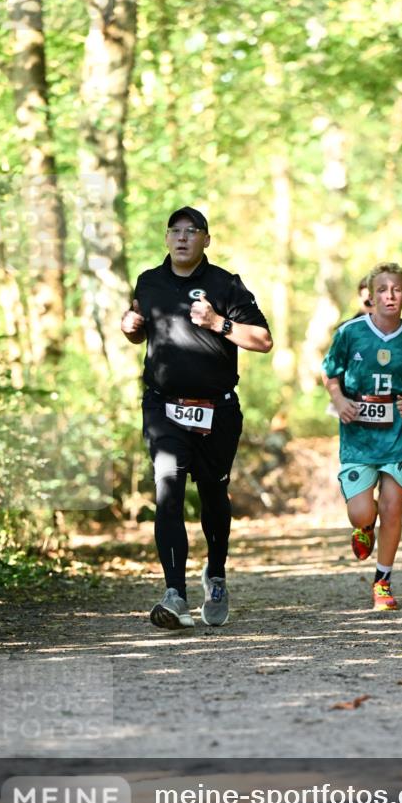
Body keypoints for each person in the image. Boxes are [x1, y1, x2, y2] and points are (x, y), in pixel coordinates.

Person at [121, 205, 272, 630]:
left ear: (207, 239)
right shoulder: (149, 282)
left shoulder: (226, 284)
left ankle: (216, 575)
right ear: (166, 238)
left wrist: (218, 322)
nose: (183, 238)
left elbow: (262, 340)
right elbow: (139, 330)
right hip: (163, 407)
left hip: (217, 410)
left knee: (212, 495)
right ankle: (174, 595)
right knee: (167, 486)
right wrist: (130, 326)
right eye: (175, 231)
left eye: (193, 231)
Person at [322, 262, 402, 611]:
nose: (390, 295)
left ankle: (383, 582)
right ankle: (364, 528)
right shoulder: (349, 333)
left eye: (397, 289)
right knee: (361, 512)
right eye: (383, 290)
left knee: (393, 506)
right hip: (358, 436)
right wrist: (340, 400)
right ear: (371, 296)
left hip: (400, 437)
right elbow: (330, 373)